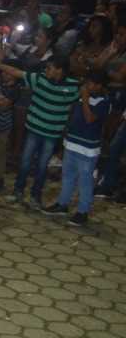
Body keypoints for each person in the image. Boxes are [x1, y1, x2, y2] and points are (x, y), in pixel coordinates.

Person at [0, 56, 81, 208]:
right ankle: (18, 192)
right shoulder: (39, 79)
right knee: (25, 162)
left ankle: (35, 196)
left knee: (42, 166)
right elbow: (16, 72)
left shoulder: (74, 86)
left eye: (49, 68)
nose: (46, 70)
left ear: (60, 70)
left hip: (52, 134)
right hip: (34, 130)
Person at [39, 69, 108, 226]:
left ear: (99, 86)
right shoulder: (81, 97)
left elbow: (90, 119)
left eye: (90, 84)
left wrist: (84, 98)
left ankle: (82, 212)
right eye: (86, 83)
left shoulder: (104, 102)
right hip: (72, 142)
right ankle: (62, 204)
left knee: (85, 181)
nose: (87, 86)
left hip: (87, 148)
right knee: (67, 176)